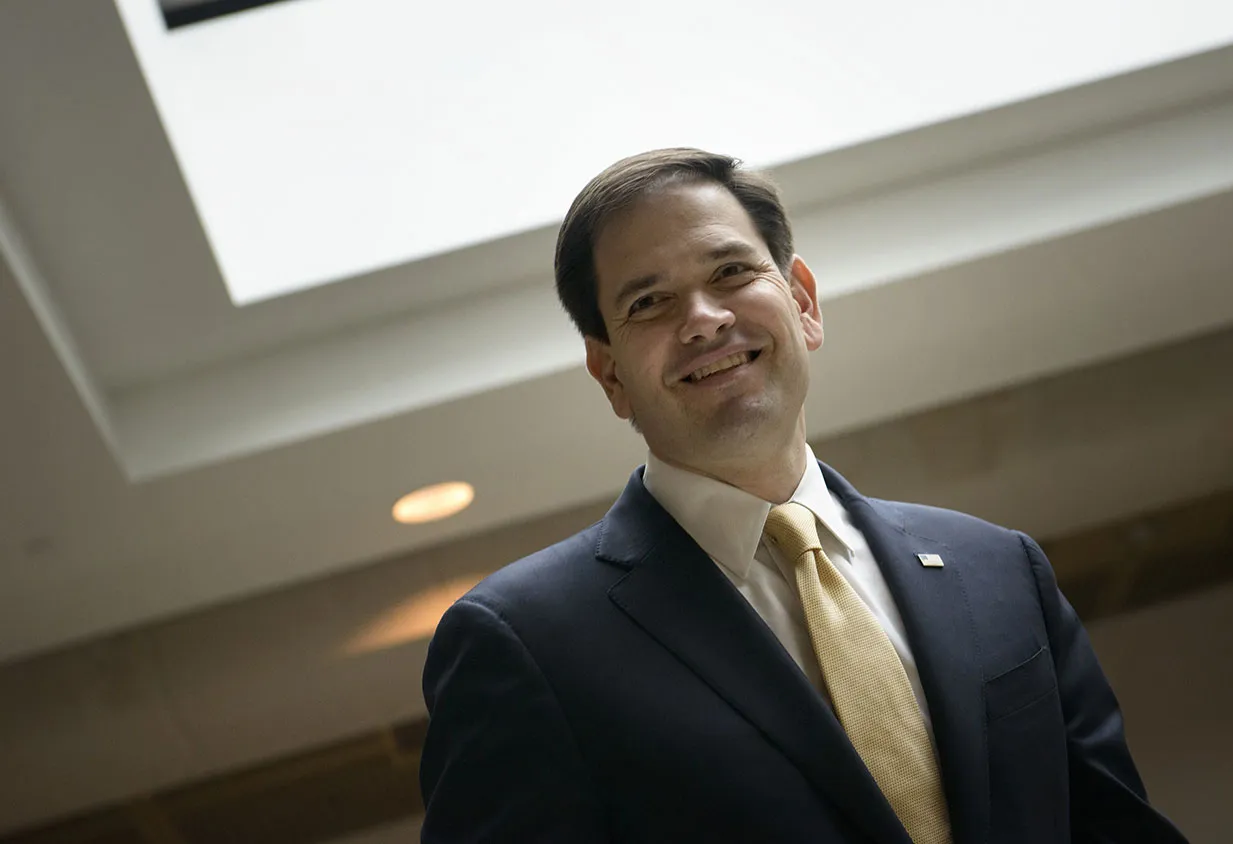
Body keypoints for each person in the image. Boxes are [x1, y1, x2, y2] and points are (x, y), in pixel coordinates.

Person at [419, 148, 1188, 843]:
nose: (704, 319)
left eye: (730, 273)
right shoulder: (524, 644)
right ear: (610, 373)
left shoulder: (999, 568)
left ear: (804, 303)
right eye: (648, 304)